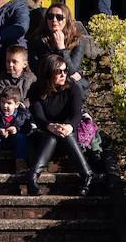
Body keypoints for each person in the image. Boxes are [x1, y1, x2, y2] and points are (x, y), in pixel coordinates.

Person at [27, 54, 92, 197]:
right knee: (52, 135)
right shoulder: (36, 89)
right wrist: (50, 126)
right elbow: (39, 118)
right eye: (59, 71)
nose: (64, 74)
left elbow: (76, 114)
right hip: (45, 137)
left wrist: (68, 126)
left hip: (68, 138)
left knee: (64, 134)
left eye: (65, 70)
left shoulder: (73, 87)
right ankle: (33, 176)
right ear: (49, 73)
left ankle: (87, 176)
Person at [28, 4, 90, 97]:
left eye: (59, 17)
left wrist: (61, 48)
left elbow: (71, 71)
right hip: (46, 82)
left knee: (76, 84)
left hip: (66, 82)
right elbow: (35, 67)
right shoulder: (38, 40)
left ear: (67, 20)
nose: (54, 20)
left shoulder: (77, 41)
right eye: (50, 16)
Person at [0, 86, 31, 174]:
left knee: (21, 138)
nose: (5, 105)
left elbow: (28, 128)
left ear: (17, 104)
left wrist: (16, 129)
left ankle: (20, 162)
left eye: (9, 103)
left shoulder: (22, 115)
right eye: (2, 102)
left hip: (13, 141)